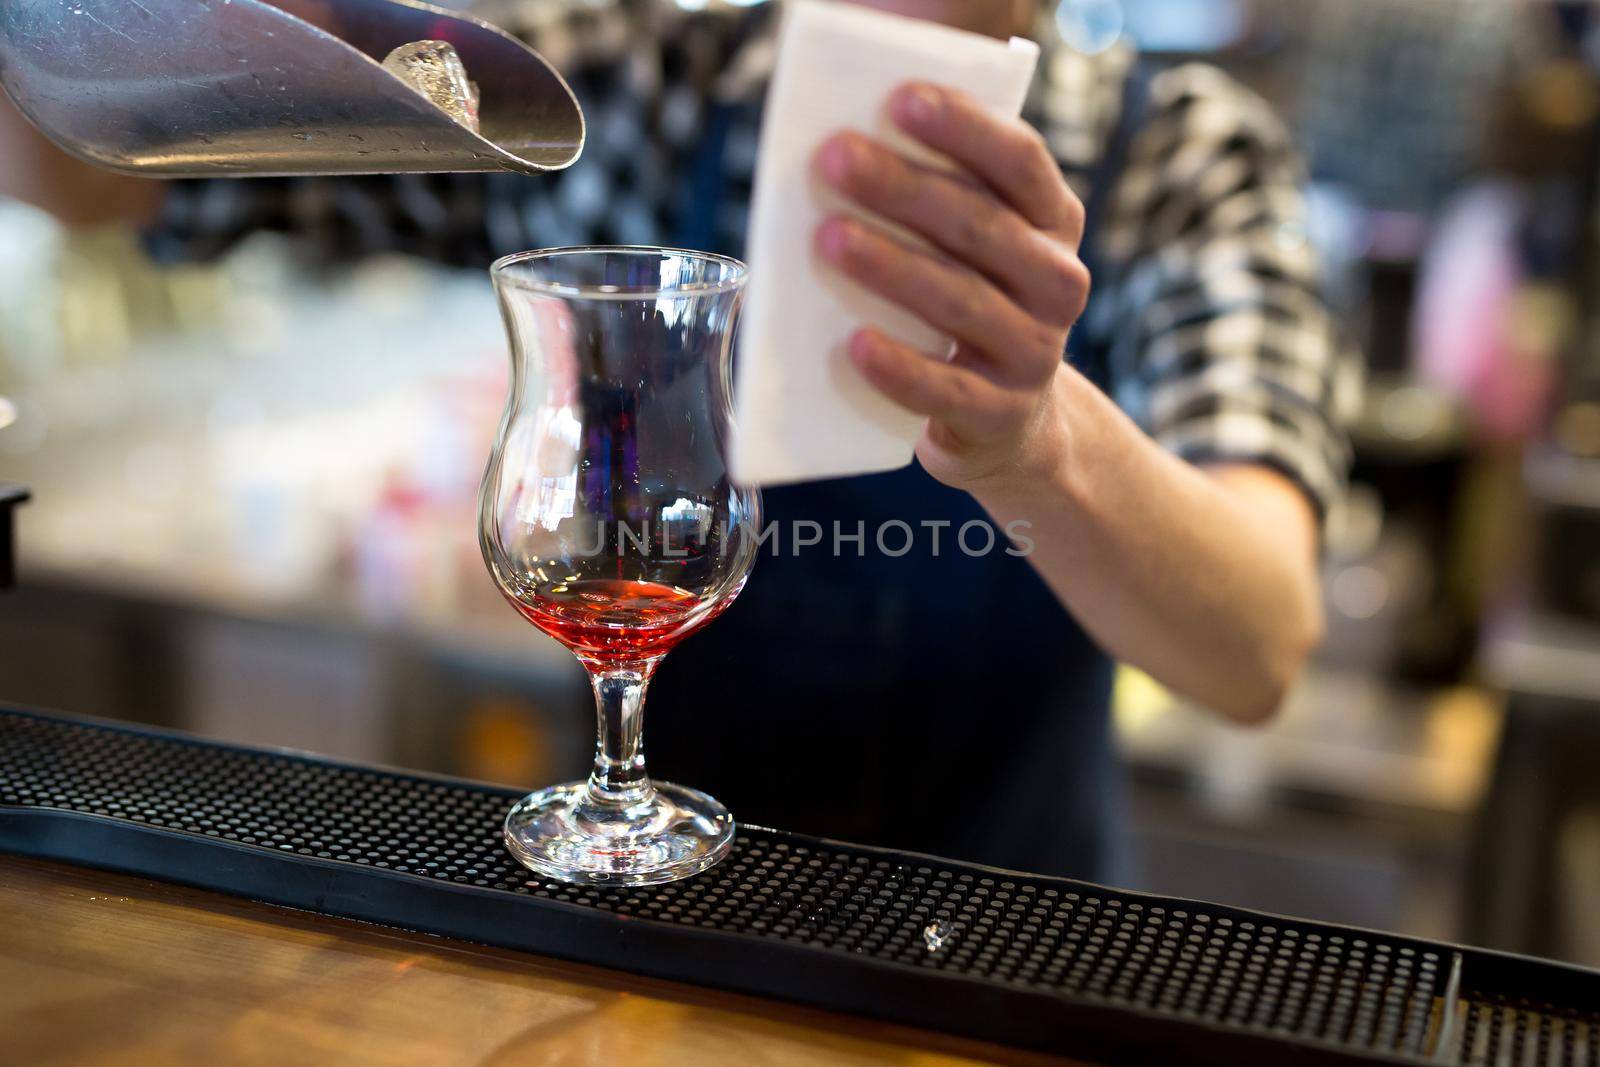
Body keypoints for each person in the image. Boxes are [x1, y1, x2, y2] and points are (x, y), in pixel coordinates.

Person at [0, 0, 1349, 881]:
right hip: (650, 924)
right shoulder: (620, 84)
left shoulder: (1183, 159)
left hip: (1014, 940)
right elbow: (82, 172)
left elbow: (1255, 648)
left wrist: (1037, 437)